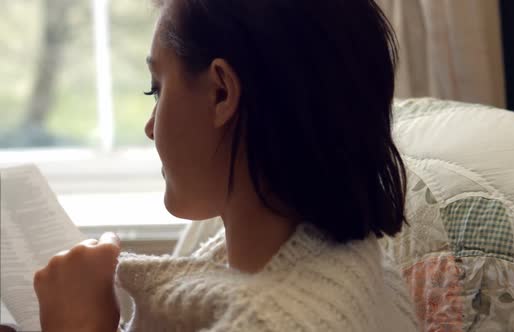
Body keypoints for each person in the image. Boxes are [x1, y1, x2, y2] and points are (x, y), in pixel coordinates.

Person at [33, 0, 418, 330]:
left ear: (221, 93)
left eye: (158, 88)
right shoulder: (368, 272)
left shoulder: (264, 322)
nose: (150, 128)